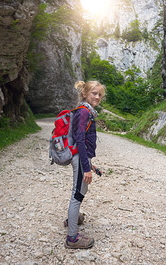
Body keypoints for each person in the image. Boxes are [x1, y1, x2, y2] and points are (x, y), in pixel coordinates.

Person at [64, 80, 106, 249]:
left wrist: (90, 164)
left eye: (99, 94)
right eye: (94, 93)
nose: (97, 97)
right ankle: (72, 238)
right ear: (85, 94)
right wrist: (86, 167)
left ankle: (74, 218)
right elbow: (80, 140)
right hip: (80, 159)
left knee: (81, 190)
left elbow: (82, 142)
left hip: (82, 158)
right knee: (78, 193)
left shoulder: (86, 111)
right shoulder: (83, 112)